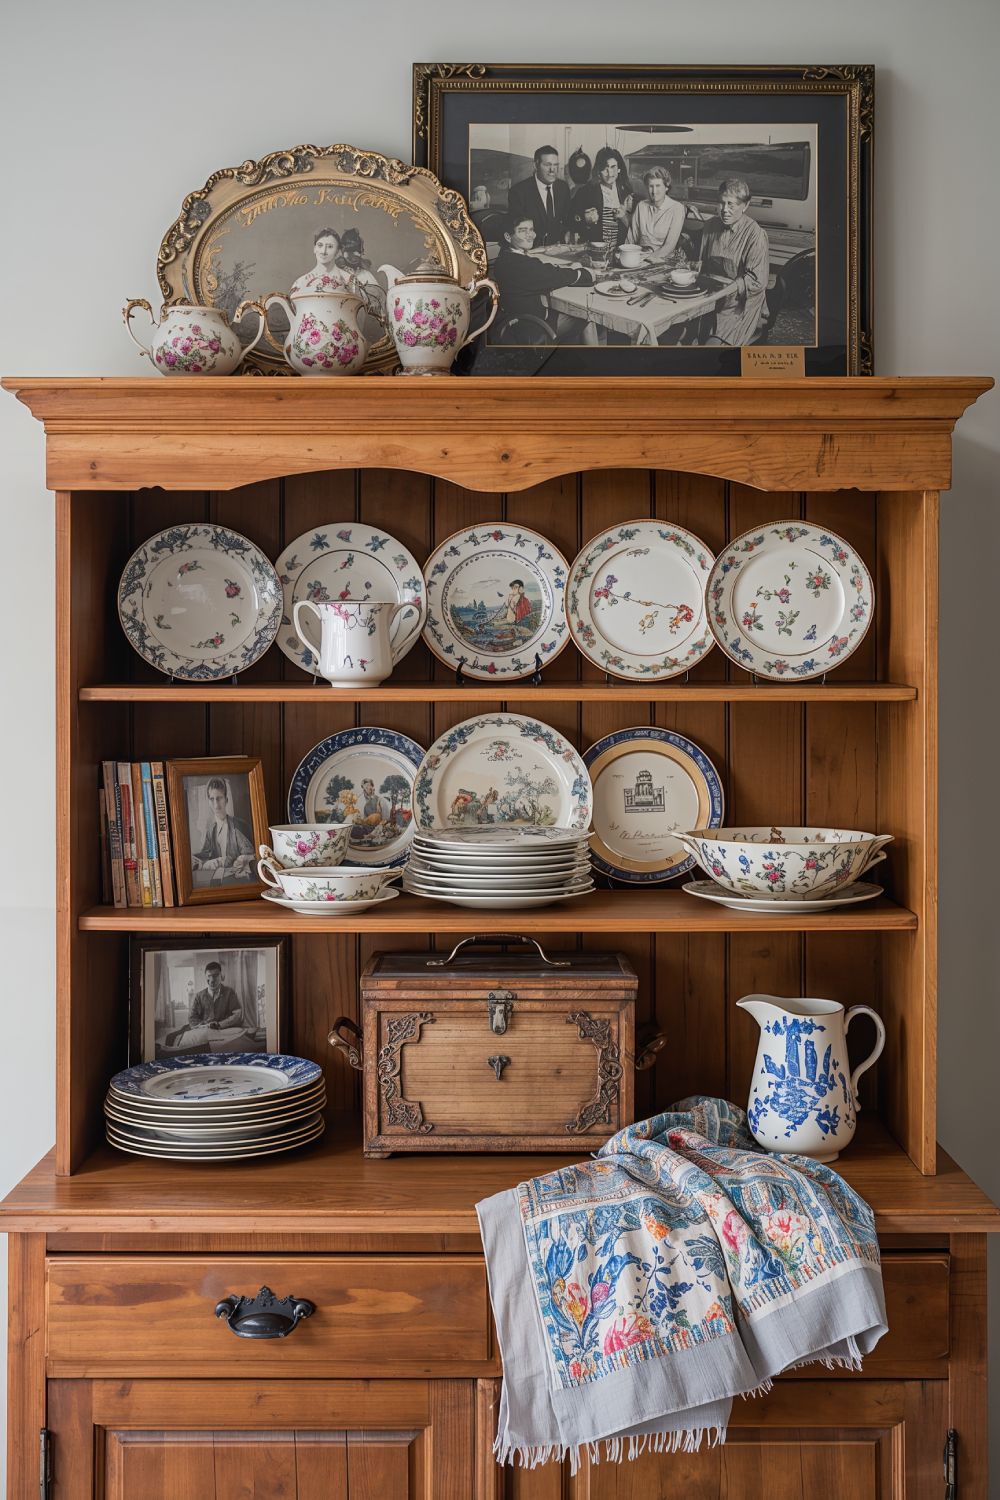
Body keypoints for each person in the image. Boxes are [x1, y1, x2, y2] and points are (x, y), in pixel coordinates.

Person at [493, 213, 597, 343]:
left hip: (515, 322)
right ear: (508, 236)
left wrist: (568, 267)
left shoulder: (503, 258)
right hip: (533, 328)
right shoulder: (522, 265)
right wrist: (584, 273)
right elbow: (553, 276)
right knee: (589, 316)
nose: (530, 235)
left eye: (531, 229)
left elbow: (543, 271)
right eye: (523, 231)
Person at [692, 178, 770, 346]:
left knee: (711, 346)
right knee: (682, 335)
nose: (724, 210)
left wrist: (726, 291)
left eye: (731, 204)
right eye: (721, 203)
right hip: (713, 297)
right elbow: (701, 262)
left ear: (745, 206)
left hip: (741, 305)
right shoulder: (711, 225)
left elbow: (756, 281)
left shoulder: (755, 234)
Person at [570, 147, 635, 249]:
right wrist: (584, 218)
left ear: (619, 168)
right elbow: (570, 220)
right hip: (594, 251)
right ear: (598, 170)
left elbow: (636, 227)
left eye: (613, 167)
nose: (610, 173)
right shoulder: (587, 191)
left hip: (620, 251)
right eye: (605, 168)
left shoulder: (626, 191)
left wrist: (624, 217)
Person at [192, 777, 255, 882]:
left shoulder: (239, 826)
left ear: (226, 800)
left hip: (239, 880)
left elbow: (252, 856)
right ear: (208, 802)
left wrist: (240, 860)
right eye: (212, 799)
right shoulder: (211, 830)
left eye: (219, 798)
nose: (216, 805)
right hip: (220, 880)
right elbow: (205, 854)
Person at [506, 145, 572, 245]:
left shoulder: (563, 188)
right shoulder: (518, 192)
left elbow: (567, 220)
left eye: (555, 165)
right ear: (536, 165)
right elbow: (519, 231)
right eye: (547, 165)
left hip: (559, 250)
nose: (552, 170)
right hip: (532, 251)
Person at [625, 167, 686, 264]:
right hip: (639, 261)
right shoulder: (641, 206)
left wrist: (645, 259)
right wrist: (626, 257)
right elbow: (630, 239)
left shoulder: (677, 208)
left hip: (663, 262)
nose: (654, 191)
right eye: (651, 186)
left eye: (658, 186)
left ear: (666, 187)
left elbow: (669, 246)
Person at [290, 228, 353, 296]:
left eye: (330, 246)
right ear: (314, 249)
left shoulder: (349, 280)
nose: (323, 251)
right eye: (320, 245)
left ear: (337, 252)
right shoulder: (300, 283)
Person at [187, 961, 243, 1030]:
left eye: (216, 975)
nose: (212, 980)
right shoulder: (198, 996)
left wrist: (220, 1024)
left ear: (221, 976)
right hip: (204, 1031)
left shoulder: (229, 993)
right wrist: (206, 1026)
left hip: (224, 1030)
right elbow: (192, 1018)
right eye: (209, 976)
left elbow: (237, 1015)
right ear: (205, 977)